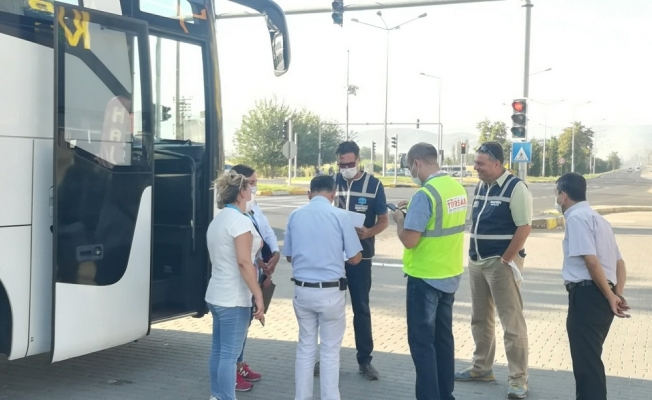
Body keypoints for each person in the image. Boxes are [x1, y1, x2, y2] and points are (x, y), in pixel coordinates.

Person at [454, 142, 533, 400]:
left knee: (511, 323)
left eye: (481, 163)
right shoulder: (481, 186)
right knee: (479, 319)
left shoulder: (516, 188)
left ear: (497, 164)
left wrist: (506, 259)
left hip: (500, 265)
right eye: (475, 162)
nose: (475, 167)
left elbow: (524, 228)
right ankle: (481, 368)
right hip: (477, 262)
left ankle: (518, 380)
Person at [391, 143, 467, 400]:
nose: (410, 173)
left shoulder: (425, 195)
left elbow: (409, 240)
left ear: (416, 163)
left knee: (422, 343)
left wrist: (400, 220)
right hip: (450, 274)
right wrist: (413, 208)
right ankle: (445, 394)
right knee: (443, 340)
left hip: (425, 278)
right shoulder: (457, 188)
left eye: (409, 168)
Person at [283, 175, 363, 400]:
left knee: (305, 347)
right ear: (333, 194)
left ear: (309, 193)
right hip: (331, 292)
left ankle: (302, 397)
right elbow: (355, 258)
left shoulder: (295, 215)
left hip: (302, 291)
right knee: (330, 351)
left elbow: (289, 256)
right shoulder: (340, 216)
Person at [555, 172, 630, 400]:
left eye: (557, 194)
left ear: (563, 195)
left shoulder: (577, 218)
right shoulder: (599, 219)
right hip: (601, 297)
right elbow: (620, 263)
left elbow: (591, 261)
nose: (557, 199)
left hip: (588, 296)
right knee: (590, 361)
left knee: (587, 367)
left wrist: (610, 296)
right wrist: (616, 294)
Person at [319, 140, 387, 380]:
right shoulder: (330, 183)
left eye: (350, 164)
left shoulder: (374, 185)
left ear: (358, 160)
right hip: (332, 256)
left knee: (361, 307)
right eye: (342, 164)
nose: (346, 168)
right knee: (328, 308)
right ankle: (326, 358)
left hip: (361, 255)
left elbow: (383, 220)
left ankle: (365, 360)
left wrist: (368, 233)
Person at [205, 171, 264, 400]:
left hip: (217, 294)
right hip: (234, 298)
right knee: (229, 355)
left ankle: (217, 395)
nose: (251, 194)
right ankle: (226, 397)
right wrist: (258, 295)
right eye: (249, 189)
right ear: (241, 193)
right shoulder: (240, 221)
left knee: (219, 351)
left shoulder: (219, 219)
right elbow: (244, 262)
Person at [229, 164, 281, 391]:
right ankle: (231, 371)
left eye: (255, 182)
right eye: (251, 183)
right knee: (235, 328)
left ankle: (239, 364)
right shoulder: (230, 213)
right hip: (238, 280)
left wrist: (274, 255)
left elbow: (266, 231)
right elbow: (239, 253)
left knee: (245, 324)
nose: (254, 187)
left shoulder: (252, 206)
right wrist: (258, 264)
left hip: (254, 272)